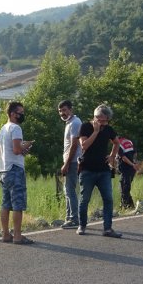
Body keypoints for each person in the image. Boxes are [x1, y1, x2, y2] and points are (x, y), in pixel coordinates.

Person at [76, 104, 122, 238]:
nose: (101, 122)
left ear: (108, 119)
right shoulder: (86, 127)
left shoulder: (108, 129)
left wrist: (113, 156)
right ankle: (82, 225)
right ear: (94, 117)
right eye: (98, 119)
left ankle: (107, 228)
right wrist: (95, 132)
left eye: (103, 120)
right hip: (87, 169)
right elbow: (84, 146)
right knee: (85, 199)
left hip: (104, 170)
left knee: (108, 199)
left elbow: (117, 142)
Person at [0, 100, 34, 244]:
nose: (22, 115)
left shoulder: (2, 129)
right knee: (18, 204)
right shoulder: (16, 128)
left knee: (5, 204)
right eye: (21, 113)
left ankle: (6, 234)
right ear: (13, 114)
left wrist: (19, 149)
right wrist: (26, 146)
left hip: (3, 169)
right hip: (15, 169)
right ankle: (17, 235)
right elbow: (17, 149)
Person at [57, 100, 82, 229]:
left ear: (71, 109)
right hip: (70, 161)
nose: (62, 113)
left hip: (72, 161)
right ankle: (69, 217)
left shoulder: (75, 123)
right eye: (60, 111)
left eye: (65, 110)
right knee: (68, 190)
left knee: (70, 190)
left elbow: (74, 144)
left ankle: (74, 218)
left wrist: (66, 164)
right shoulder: (69, 123)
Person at [117, 136, 138, 209]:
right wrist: (134, 163)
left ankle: (124, 206)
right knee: (125, 187)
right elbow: (135, 153)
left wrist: (132, 164)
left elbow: (123, 158)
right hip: (132, 169)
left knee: (124, 187)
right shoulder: (129, 141)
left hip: (125, 168)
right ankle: (131, 206)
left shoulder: (118, 144)